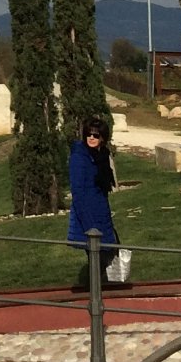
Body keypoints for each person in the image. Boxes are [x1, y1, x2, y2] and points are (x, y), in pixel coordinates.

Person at [67, 114, 120, 287]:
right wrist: (90, 225)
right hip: (88, 216)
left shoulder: (102, 156)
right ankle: (96, 302)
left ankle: (106, 293)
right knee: (98, 259)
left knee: (110, 255)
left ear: (103, 138)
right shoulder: (79, 157)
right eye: (88, 134)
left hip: (101, 213)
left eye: (96, 135)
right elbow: (78, 194)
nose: (91, 138)